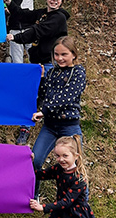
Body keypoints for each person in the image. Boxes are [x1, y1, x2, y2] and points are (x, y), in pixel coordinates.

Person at [2, 0, 70, 145]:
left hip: (51, 66)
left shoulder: (58, 18)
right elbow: (23, 15)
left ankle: (61, 134)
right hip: (36, 64)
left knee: (51, 98)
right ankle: (25, 130)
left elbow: (37, 31)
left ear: (61, 1)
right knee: (32, 95)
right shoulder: (43, 14)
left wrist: (16, 38)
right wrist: (10, 3)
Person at [30, 36, 86, 198]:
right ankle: (33, 196)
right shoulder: (52, 72)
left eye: (64, 54)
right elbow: (44, 95)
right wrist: (41, 78)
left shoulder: (78, 72)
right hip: (50, 127)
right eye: (56, 54)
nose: (60, 58)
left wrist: (44, 111)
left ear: (73, 54)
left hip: (69, 127)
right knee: (35, 161)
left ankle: (78, 203)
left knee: (74, 167)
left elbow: (67, 97)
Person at [29, 135, 95, 217]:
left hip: (75, 213)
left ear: (76, 156)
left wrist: (43, 207)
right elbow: (40, 175)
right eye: (57, 156)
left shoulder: (79, 179)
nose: (61, 159)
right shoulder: (58, 168)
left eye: (65, 156)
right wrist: (30, 162)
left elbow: (67, 201)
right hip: (60, 209)